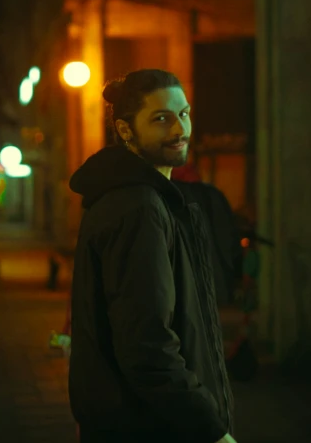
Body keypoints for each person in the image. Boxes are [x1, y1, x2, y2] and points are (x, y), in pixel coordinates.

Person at [68, 69, 236, 443]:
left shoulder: (148, 200)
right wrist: (210, 430)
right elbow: (147, 345)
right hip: (153, 427)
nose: (180, 129)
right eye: (161, 119)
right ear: (126, 130)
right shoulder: (138, 208)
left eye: (185, 113)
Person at [171, 166, 243, 308]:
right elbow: (232, 239)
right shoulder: (215, 195)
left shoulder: (174, 196)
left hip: (189, 293)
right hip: (220, 284)